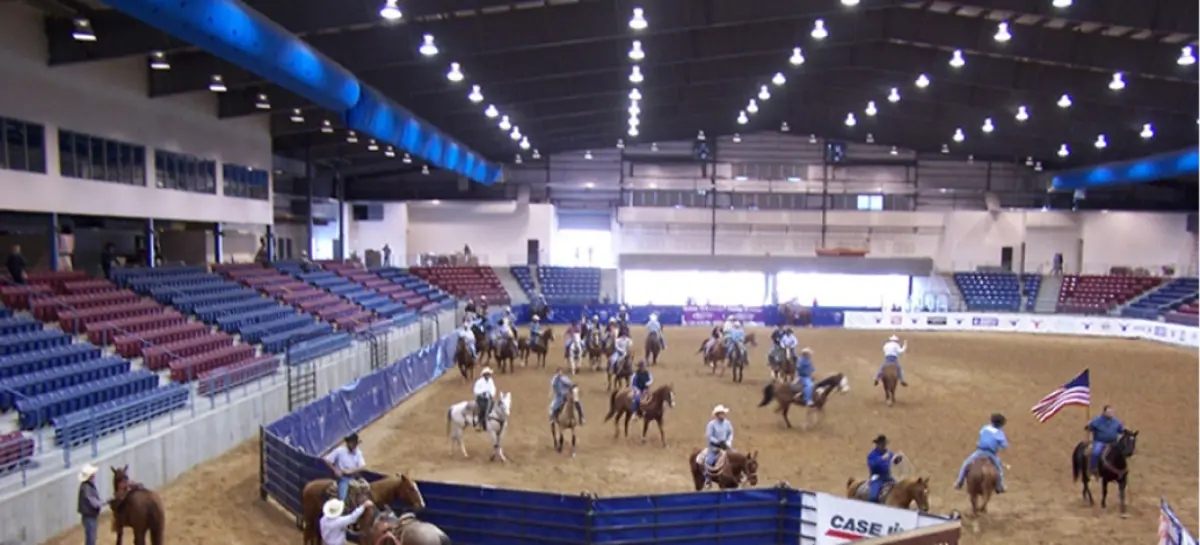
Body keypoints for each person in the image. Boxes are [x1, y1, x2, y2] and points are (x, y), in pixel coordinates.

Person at [954, 413, 1008, 493]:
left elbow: (981, 435)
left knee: (965, 464)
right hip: (991, 454)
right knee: (999, 470)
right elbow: (1004, 445)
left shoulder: (985, 428)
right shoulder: (1000, 433)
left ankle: (959, 483)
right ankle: (999, 487)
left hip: (980, 451)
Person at [323, 433, 367, 501]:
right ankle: (341, 504)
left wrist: (351, 471)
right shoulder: (339, 451)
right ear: (348, 443)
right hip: (343, 478)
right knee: (343, 497)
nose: (355, 445)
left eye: (355, 443)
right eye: (353, 443)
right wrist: (335, 470)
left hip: (354, 476)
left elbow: (362, 466)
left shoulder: (358, 452)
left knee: (366, 488)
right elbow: (326, 460)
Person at [1086, 405, 1126, 476]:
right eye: (1108, 412)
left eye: (1111, 412)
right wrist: (1089, 425)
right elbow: (1089, 428)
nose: (1110, 414)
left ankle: (1122, 469)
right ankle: (1093, 469)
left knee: (1121, 453)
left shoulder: (1116, 421)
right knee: (1095, 453)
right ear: (1104, 412)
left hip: (1113, 443)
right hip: (1100, 442)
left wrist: (1124, 430)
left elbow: (1121, 430)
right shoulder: (1097, 420)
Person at [704, 405, 735, 488]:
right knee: (709, 461)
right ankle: (707, 479)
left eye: (723, 413)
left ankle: (738, 475)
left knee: (736, 456)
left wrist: (728, 442)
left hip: (726, 446)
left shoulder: (727, 423)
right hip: (715, 448)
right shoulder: (711, 424)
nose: (723, 415)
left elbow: (730, 434)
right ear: (717, 415)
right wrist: (717, 442)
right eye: (721, 413)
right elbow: (709, 436)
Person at [77, 463, 103, 545]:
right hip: (89, 516)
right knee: (91, 539)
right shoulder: (86, 487)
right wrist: (102, 503)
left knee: (91, 538)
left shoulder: (86, 486)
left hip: (89, 516)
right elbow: (92, 502)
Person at [867, 435, 896, 503]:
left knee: (898, 487)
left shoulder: (889, 453)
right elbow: (872, 465)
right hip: (877, 477)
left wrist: (897, 459)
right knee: (873, 497)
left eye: (884, 444)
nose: (883, 446)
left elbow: (893, 460)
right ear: (877, 444)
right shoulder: (872, 454)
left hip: (887, 476)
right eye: (882, 444)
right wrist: (881, 459)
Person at [473, 367, 496, 431]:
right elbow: (475, 390)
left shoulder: (491, 381)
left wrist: (491, 394)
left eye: (489, 374)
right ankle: (479, 424)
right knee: (483, 409)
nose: (489, 375)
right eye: (487, 374)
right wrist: (483, 392)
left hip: (488, 398)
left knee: (493, 408)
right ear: (484, 375)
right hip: (481, 398)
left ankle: (488, 423)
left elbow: (493, 388)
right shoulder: (479, 382)